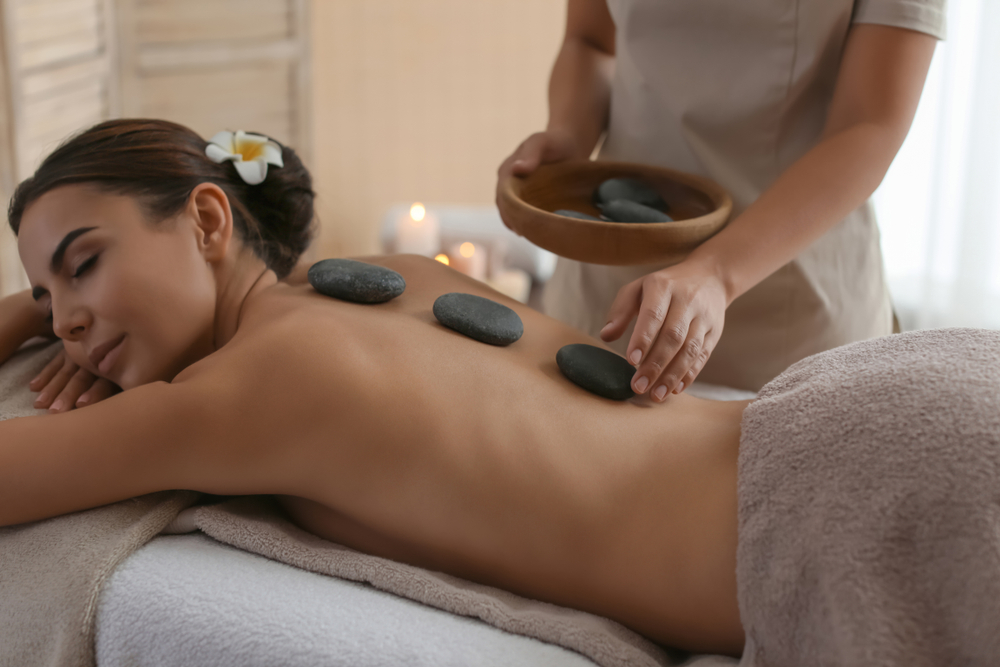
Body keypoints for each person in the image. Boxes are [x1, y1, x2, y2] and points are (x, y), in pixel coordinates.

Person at [3, 120, 999, 664]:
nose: (67, 321)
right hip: (885, 407)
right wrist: (57, 304)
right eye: (48, 300)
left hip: (841, 517)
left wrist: (11, 321)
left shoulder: (241, 392)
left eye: (80, 266)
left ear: (209, 219)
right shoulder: (398, 274)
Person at [497, 0, 945, 397]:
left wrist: (717, 272)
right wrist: (569, 134)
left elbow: (869, 124)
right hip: (607, 284)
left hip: (788, 310)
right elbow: (590, 40)